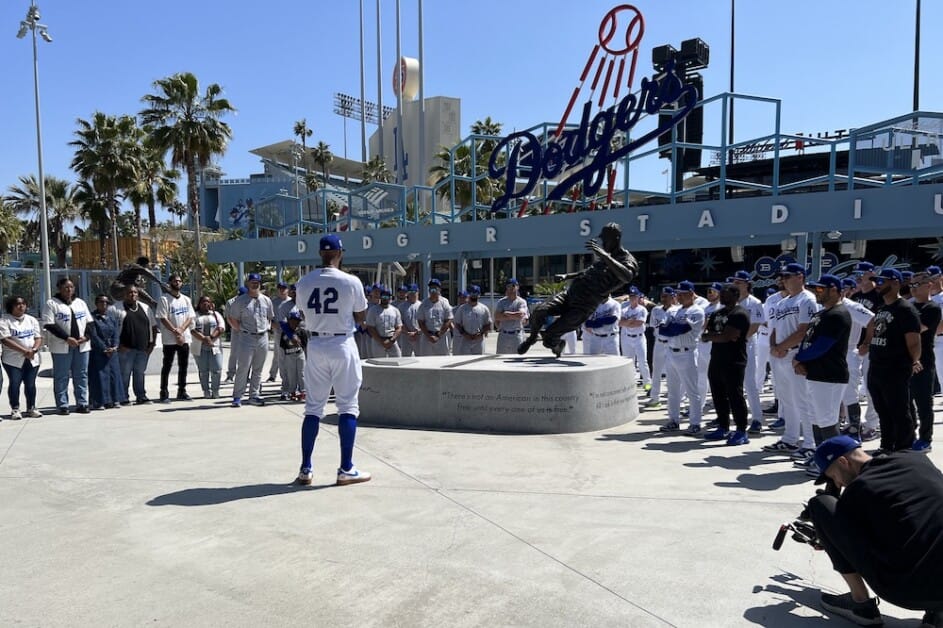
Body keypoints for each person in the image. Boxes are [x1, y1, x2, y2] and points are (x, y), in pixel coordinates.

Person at [807, 436, 943, 627]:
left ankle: (861, 605)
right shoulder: (916, 459)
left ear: (843, 462)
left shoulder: (857, 491)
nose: (838, 484)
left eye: (833, 476)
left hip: (909, 591)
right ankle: (938, 614)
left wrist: (829, 536)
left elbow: (852, 541)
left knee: (820, 504)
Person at [294, 234, 371, 486]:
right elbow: (361, 317)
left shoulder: (304, 282)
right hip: (341, 343)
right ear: (340, 253)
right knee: (348, 405)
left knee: (313, 408)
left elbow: (302, 312)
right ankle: (346, 468)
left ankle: (306, 468)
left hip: (315, 343)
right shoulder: (351, 281)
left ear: (320, 254)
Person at [519, 223, 637, 357]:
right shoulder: (606, 257)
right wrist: (567, 276)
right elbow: (587, 271)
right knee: (540, 311)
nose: (603, 243)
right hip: (570, 294)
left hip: (584, 305)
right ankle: (532, 338)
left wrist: (605, 256)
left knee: (549, 337)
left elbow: (627, 276)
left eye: (605, 240)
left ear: (616, 239)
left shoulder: (626, 259)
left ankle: (556, 345)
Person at [792, 275, 851, 476]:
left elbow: (822, 346)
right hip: (816, 374)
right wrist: (800, 359)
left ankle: (832, 464)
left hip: (830, 374)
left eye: (820, 289)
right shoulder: (821, 314)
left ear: (833, 289)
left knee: (827, 422)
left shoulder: (838, 314)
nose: (816, 292)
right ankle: (820, 456)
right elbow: (808, 339)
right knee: (816, 418)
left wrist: (799, 358)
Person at [863, 267, 921, 453]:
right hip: (877, 366)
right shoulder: (883, 308)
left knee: (898, 410)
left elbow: (913, 340)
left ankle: (905, 448)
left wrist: (914, 361)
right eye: (877, 282)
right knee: (883, 410)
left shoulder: (905, 309)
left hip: (895, 367)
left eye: (882, 282)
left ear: (895, 282)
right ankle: (887, 445)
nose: (878, 286)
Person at [763, 263, 817, 454]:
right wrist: (773, 347)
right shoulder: (781, 303)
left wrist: (781, 347)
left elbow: (804, 331)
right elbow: (774, 329)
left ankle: (810, 443)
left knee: (803, 400)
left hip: (797, 355)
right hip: (780, 354)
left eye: (787, 276)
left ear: (800, 276)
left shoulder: (807, 299)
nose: (783, 280)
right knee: (787, 400)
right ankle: (790, 439)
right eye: (782, 277)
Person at [700, 284, 751, 445]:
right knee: (718, 394)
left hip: (734, 360)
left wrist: (714, 336)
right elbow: (706, 334)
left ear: (736, 295)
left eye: (726, 293)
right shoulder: (717, 313)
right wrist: (715, 336)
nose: (722, 296)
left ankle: (741, 430)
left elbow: (729, 336)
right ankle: (723, 426)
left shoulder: (740, 314)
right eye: (721, 293)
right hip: (716, 358)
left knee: (735, 395)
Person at [658, 280, 706, 435]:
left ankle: (695, 423)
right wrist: (672, 328)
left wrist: (672, 328)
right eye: (677, 294)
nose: (679, 297)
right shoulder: (674, 310)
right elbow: (663, 331)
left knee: (692, 391)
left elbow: (681, 329)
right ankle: (673, 420)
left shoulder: (697, 311)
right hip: (671, 352)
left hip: (688, 353)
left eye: (682, 294)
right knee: (672, 391)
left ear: (691, 294)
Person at [42, 276, 92, 415]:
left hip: (82, 345)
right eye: (66, 287)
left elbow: (89, 323)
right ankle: (62, 404)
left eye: (71, 287)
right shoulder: (52, 303)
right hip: (62, 345)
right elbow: (49, 324)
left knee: (81, 375)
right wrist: (66, 338)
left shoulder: (80, 303)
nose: (69, 290)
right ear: (59, 289)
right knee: (61, 376)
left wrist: (86, 337)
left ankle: (82, 403)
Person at [227, 273, 275, 407]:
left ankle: (254, 395)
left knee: (258, 368)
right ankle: (237, 396)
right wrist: (240, 330)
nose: (255, 284)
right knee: (243, 367)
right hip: (246, 337)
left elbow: (270, 317)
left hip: (262, 337)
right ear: (248, 284)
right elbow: (232, 318)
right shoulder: (240, 301)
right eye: (252, 282)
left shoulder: (266, 300)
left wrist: (267, 328)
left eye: (257, 282)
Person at [839, 278, 877, 441]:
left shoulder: (851, 306)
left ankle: (855, 427)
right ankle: (848, 424)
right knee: (838, 393)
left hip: (849, 351)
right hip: (833, 353)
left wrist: (867, 342)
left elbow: (872, 320)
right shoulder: (825, 306)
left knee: (850, 392)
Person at [730, 270, 767, 433]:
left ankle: (757, 418)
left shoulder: (755, 302)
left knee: (749, 383)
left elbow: (756, 324)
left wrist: (740, 338)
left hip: (747, 344)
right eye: (734, 282)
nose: (735, 284)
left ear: (747, 284)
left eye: (738, 282)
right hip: (730, 345)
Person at [908, 271, 941, 452]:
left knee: (923, 403)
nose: (912, 289)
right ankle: (909, 434)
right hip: (905, 361)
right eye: (911, 285)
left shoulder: (932, 308)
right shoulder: (908, 306)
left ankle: (925, 438)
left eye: (917, 285)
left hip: (924, 361)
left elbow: (917, 329)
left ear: (929, 285)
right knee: (905, 401)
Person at [111, 286, 158, 405]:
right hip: (125, 349)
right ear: (124, 294)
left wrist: (152, 344)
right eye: (129, 292)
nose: (132, 294)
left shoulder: (146, 308)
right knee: (124, 374)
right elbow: (111, 329)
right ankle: (123, 397)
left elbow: (153, 326)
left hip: (143, 349)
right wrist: (118, 345)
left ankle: (141, 396)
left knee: (140, 373)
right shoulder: (116, 308)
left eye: (135, 292)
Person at [0, 296, 43, 420]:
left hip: (32, 358)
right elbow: (6, 340)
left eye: (23, 303)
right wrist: (24, 350)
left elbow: (38, 337)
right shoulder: (4, 321)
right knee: (15, 383)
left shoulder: (31, 320)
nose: (21, 306)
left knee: (30, 384)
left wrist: (34, 349)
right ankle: (15, 409)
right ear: (11, 306)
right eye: (18, 304)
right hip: (12, 359)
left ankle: (31, 408)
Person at [156, 273, 195, 402]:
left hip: (184, 338)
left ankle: (182, 391)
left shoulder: (186, 299)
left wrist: (182, 330)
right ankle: (164, 392)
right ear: (170, 283)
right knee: (167, 365)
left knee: (183, 366)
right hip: (170, 339)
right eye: (174, 281)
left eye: (179, 281)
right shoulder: (164, 299)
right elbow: (163, 318)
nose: (177, 283)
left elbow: (190, 317)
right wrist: (175, 332)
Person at [87, 294, 122, 410]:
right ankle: (99, 401)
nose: (104, 304)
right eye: (101, 302)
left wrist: (114, 345)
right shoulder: (92, 317)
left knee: (113, 376)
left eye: (106, 302)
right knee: (100, 377)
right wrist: (104, 348)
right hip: (98, 352)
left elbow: (116, 332)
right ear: (96, 303)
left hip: (112, 352)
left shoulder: (112, 317)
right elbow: (93, 335)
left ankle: (113, 400)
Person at [645, 287, 678, 409]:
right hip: (659, 342)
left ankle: (674, 399)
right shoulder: (656, 310)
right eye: (662, 296)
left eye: (667, 296)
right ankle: (655, 398)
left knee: (672, 372)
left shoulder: (677, 310)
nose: (663, 298)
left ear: (673, 297)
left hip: (672, 343)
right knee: (656, 371)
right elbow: (654, 326)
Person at [190, 295, 226, 399]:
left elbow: (221, 327)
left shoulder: (216, 314)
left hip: (214, 346)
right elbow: (193, 329)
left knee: (217, 369)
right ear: (199, 304)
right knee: (203, 370)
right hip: (200, 347)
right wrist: (204, 339)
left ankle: (215, 390)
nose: (206, 303)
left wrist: (211, 338)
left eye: (208, 301)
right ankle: (206, 391)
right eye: (203, 302)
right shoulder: (194, 315)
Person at [619, 286, 652, 390]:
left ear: (638, 297)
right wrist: (630, 321)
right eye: (631, 296)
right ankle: (630, 383)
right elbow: (620, 323)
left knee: (642, 361)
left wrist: (627, 322)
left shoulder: (642, 309)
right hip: (627, 338)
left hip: (639, 338)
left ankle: (647, 383)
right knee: (629, 361)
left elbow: (638, 323)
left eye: (634, 296)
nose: (632, 298)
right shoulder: (625, 309)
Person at [417, 278, 453, 356]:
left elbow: (448, 320)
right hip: (427, 337)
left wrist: (438, 335)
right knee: (426, 361)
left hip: (441, 336)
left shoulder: (445, 303)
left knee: (443, 360)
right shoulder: (424, 304)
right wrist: (429, 336)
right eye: (431, 289)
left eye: (435, 289)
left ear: (439, 290)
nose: (433, 291)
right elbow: (421, 322)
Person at [453, 285, 492, 355]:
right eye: (472, 293)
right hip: (465, 340)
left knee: (478, 361)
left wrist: (481, 333)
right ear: (469, 294)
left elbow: (488, 324)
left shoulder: (484, 308)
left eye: (476, 294)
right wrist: (465, 334)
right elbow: (457, 324)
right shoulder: (462, 308)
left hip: (479, 340)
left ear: (479, 295)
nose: (474, 296)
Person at [278, 310, 308, 401]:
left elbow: (305, 345)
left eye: (297, 321)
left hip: (300, 354)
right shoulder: (285, 333)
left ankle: (303, 391)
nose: (295, 322)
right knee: (291, 374)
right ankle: (292, 391)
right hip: (289, 355)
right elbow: (282, 346)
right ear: (289, 321)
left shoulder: (301, 331)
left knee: (302, 373)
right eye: (293, 320)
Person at [494, 278, 529, 354]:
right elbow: (497, 316)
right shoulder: (502, 302)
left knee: (517, 358)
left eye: (513, 286)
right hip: (504, 334)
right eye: (508, 286)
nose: (511, 288)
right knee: (500, 358)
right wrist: (514, 315)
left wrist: (506, 313)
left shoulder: (521, 302)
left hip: (516, 335)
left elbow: (520, 315)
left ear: (517, 287)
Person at [366, 288, 403, 358]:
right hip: (378, 341)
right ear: (380, 297)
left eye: (387, 296)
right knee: (379, 364)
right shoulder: (373, 310)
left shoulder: (395, 310)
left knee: (398, 359)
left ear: (390, 297)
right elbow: (370, 328)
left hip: (392, 341)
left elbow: (399, 327)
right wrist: (381, 341)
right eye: (383, 296)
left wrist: (392, 340)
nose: (385, 298)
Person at [223, 286, 248, 384]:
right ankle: (230, 375)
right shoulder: (231, 302)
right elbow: (228, 317)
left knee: (247, 355)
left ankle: (246, 375)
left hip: (247, 330)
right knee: (234, 353)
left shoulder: (249, 299)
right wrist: (236, 327)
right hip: (236, 330)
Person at [267, 281, 290, 382]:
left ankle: (288, 375)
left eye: (284, 288)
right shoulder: (273, 302)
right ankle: (273, 375)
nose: (282, 290)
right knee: (278, 354)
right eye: (280, 288)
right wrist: (272, 324)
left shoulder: (291, 301)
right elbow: (268, 317)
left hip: (290, 331)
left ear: (287, 290)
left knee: (290, 354)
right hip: (279, 330)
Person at [396, 284, 421, 357]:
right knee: (405, 358)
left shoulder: (422, 305)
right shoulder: (401, 306)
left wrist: (417, 333)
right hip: (406, 336)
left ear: (418, 292)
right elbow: (400, 322)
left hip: (419, 336)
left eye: (414, 292)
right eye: (411, 293)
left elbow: (424, 322)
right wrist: (408, 333)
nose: (413, 295)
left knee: (421, 358)